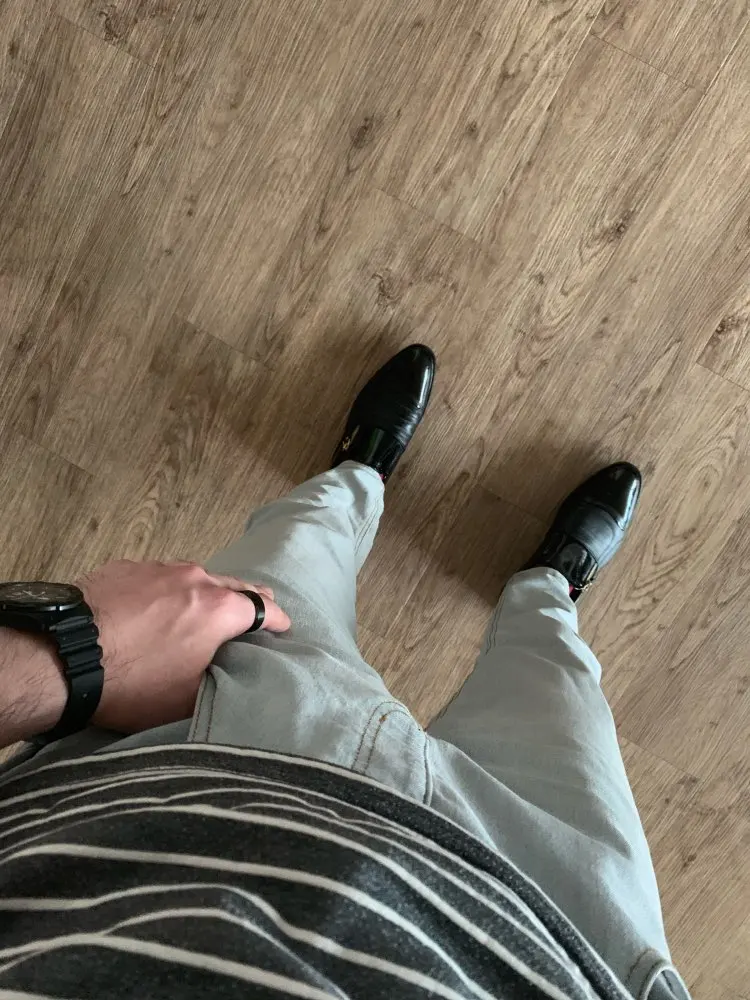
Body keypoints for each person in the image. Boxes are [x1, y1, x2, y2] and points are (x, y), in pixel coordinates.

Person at [0, 346, 689, 1000]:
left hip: (191, 776)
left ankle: (359, 475)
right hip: (571, 928)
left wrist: (80, 656)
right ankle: (550, 585)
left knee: (297, 544)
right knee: (555, 669)